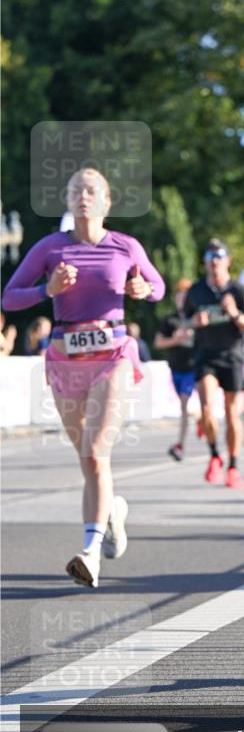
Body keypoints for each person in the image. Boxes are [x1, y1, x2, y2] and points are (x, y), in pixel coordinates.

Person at [1, 167, 165, 588]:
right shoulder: (49, 247)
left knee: (95, 451)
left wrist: (143, 290)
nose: (83, 196)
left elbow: (158, 286)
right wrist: (47, 291)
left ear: (107, 201)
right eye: (75, 190)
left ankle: (90, 552)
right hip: (64, 358)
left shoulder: (125, 245)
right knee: (90, 460)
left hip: (112, 354)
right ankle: (112, 513)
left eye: (92, 190)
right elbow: (9, 296)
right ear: (69, 201)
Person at [184, 239, 244, 488]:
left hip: (232, 355)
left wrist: (234, 314)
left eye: (219, 258)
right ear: (205, 263)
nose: (215, 262)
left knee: (231, 413)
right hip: (205, 355)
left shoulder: (238, 291)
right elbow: (183, 324)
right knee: (207, 407)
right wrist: (194, 322)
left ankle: (233, 465)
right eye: (210, 258)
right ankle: (214, 455)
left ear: (227, 261)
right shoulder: (195, 291)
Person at [154, 277, 197, 461]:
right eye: (180, 295)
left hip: (194, 367)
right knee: (185, 405)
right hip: (176, 368)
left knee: (185, 405)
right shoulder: (170, 319)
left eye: (186, 296)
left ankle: (180, 445)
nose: (182, 299)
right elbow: (158, 342)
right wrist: (176, 339)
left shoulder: (197, 317)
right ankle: (201, 421)